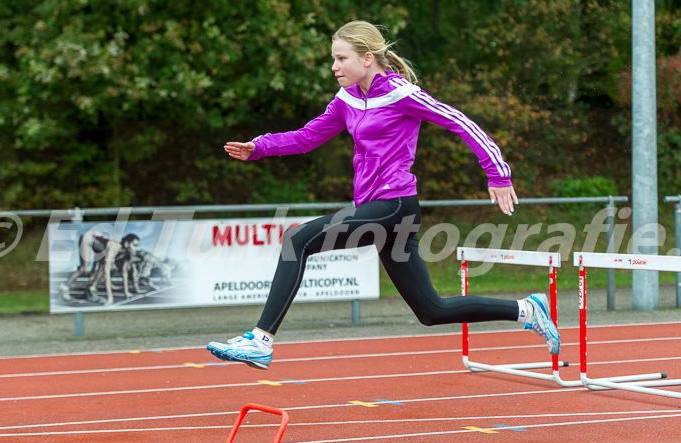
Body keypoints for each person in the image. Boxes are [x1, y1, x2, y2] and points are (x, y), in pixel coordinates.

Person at [207, 20, 559, 370]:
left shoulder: (401, 94)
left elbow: (460, 122)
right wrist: (260, 147)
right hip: (378, 210)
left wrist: (497, 173)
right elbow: (306, 137)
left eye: (341, 58)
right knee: (431, 311)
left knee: (296, 239)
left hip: (395, 206)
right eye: (333, 59)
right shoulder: (346, 100)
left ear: (367, 58)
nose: (334, 67)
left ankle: (261, 339)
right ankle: (526, 310)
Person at [60, 231, 140, 306]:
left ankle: (91, 288)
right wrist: (110, 298)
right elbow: (106, 273)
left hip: (99, 245)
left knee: (102, 268)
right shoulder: (114, 247)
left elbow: (124, 272)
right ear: (126, 244)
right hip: (88, 237)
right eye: (135, 245)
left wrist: (126, 292)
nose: (137, 248)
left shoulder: (125, 253)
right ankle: (64, 287)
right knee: (84, 269)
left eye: (137, 246)